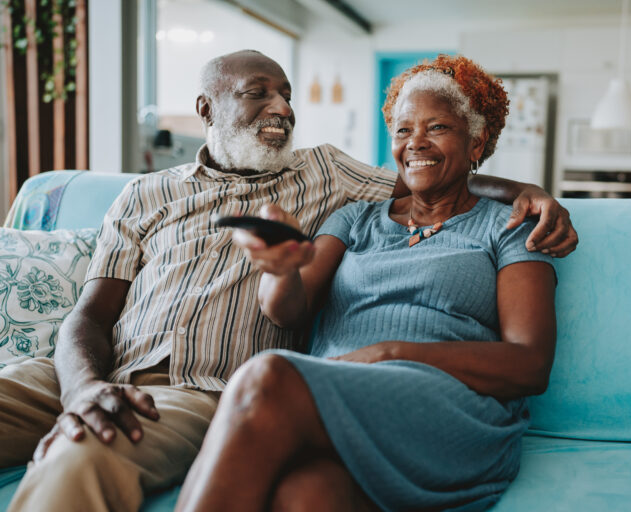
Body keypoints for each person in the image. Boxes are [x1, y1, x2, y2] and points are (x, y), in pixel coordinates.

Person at [0, 50, 574, 511]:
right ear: (206, 106)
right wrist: (81, 389)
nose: (281, 107)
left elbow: (436, 180)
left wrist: (532, 193)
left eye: (287, 95)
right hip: (91, 371)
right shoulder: (149, 193)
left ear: (475, 142)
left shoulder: (326, 173)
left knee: (85, 451)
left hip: (206, 388)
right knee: (308, 495)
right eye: (258, 93)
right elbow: (94, 315)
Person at [177, 54, 558, 512]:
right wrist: (279, 270)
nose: (415, 142)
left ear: (476, 143)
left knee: (268, 377)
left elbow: (529, 365)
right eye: (403, 130)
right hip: (347, 399)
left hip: (448, 410)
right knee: (306, 497)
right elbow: (288, 310)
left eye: (437, 127)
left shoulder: (510, 227)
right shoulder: (356, 218)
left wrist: (391, 353)